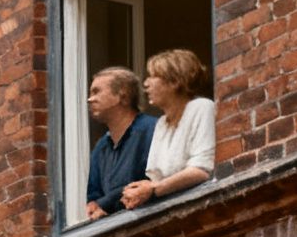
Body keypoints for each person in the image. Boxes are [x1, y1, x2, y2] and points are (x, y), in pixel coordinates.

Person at [121, 49, 215, 210]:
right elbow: (156, 178)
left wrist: (152, 189)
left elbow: (202, 170)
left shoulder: (202, 108)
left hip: (200, 207)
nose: (146, 83)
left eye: (153, 76)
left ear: (175, 81)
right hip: (171, 209)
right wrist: (138, 191)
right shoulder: (162, 124)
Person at [84, 66, 155, 220]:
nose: (90, 99)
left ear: (123, 95)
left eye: (96, 92)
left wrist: (105, 204)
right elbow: (94, 194)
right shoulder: (101, 146)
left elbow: (147, 180)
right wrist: (93, 205)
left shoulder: (151, 130)